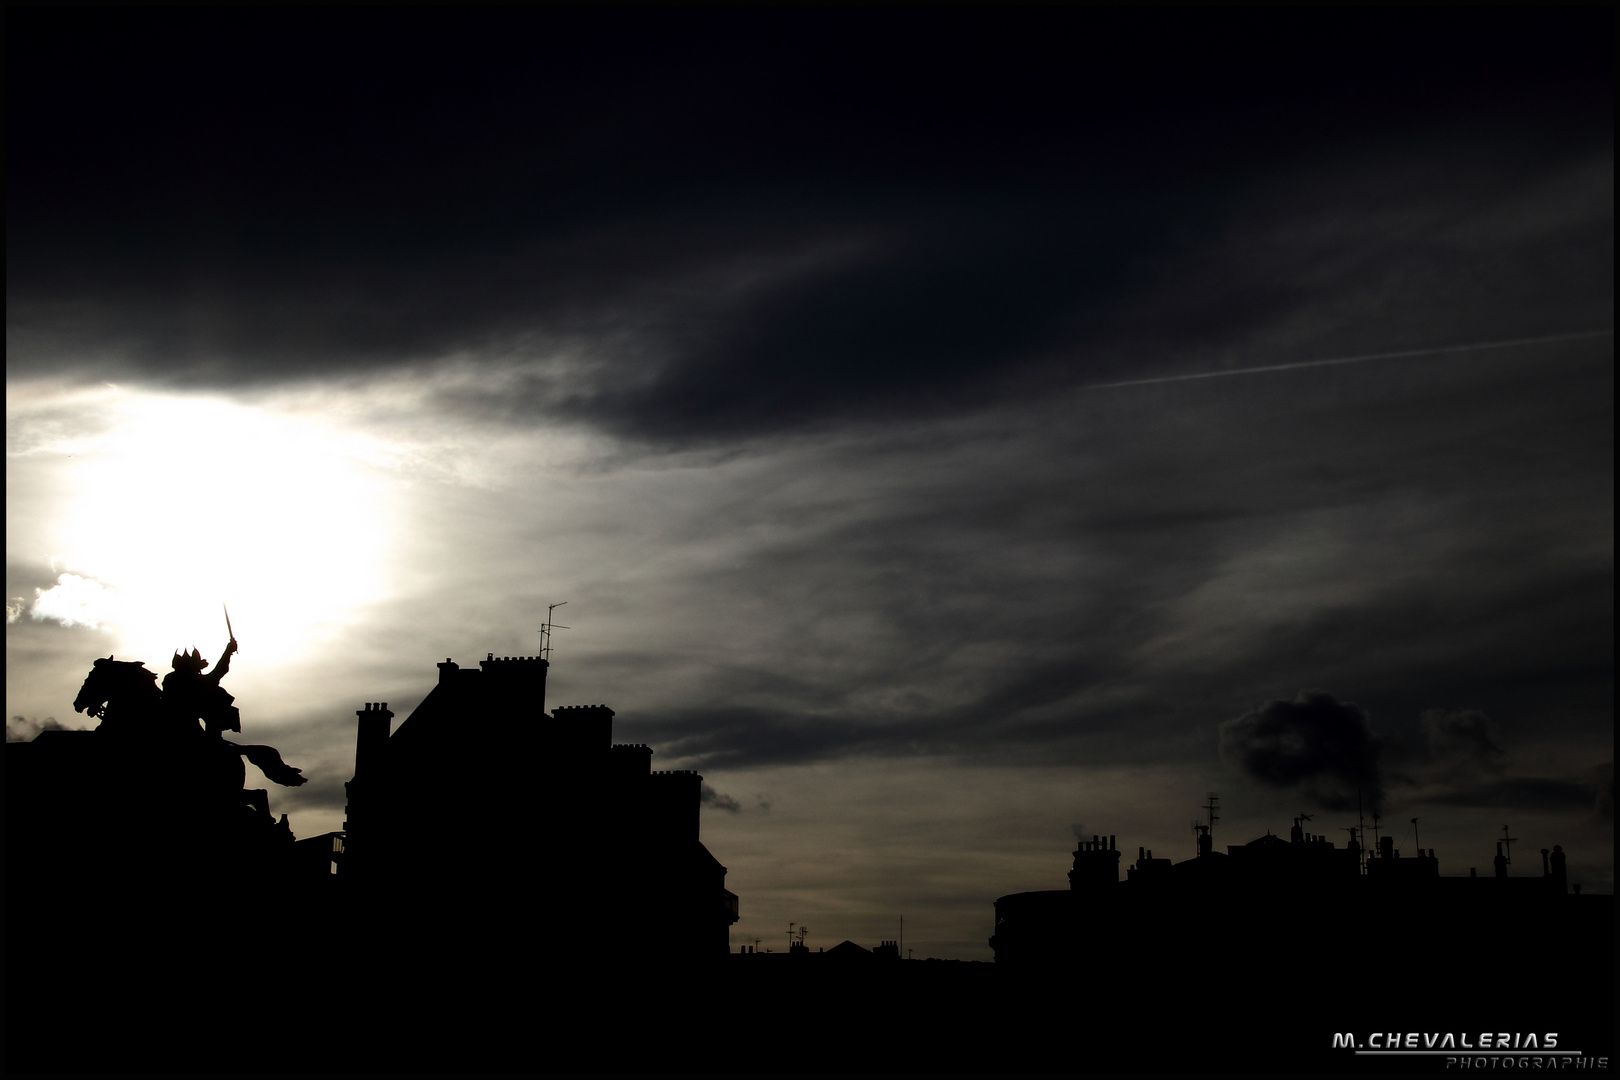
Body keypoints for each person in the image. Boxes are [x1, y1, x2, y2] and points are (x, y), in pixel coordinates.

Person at [163, 638, 241, 736]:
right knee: (218, 698)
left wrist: (228, 651)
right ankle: (213, 737)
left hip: (181, 718)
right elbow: (218, 673)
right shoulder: (187, 679)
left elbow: (217, 674)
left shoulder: (171, 678)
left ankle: (213, 736)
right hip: (182, 719)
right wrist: (228, 652)